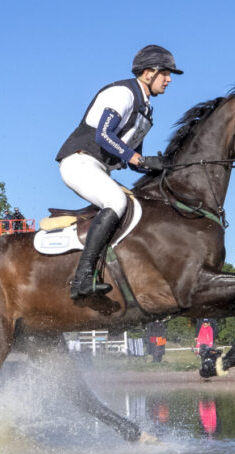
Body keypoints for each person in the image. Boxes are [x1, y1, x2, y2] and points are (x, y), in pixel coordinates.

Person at [56, 45, 182, 299]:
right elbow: (104, 135)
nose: (169, 80)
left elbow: (133, 159)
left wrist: (160, 164)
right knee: (117, 201)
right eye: (165, 73)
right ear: (148, 73)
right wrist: (139, 158)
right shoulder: (123, 93)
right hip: (79, 162)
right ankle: (81, 279)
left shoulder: (145, 110)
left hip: (100, 168)